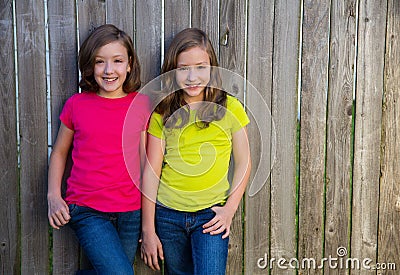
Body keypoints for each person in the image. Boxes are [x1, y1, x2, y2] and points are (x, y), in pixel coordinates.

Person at [141, 28, 252, 275]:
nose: (192, 77)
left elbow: (244, 161)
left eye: (201, 67)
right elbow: (151, 171)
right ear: (173, 70)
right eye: (183, 69)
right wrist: (148, 229)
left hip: (210, 216)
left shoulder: (230, 107)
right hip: (168, 215)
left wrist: (229, 209)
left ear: (212, 67)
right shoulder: (162, 112)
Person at [47, 24, 149, 275]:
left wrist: (149, 221)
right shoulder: (76, 105)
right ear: (91, 67)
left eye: (117, 61)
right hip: (87, 209)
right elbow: (60, 152)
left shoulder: (143, 104)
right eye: (100, 62)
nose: (109, 70)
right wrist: (53, 196)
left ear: (129, 64)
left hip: (130, 212)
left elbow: (148, 163)